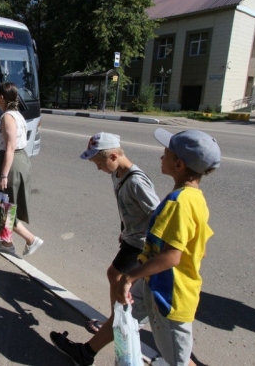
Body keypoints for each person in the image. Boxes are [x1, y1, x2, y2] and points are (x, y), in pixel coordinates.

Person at [51, 128, 221, 366]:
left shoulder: (179, 202)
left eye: (166, 154)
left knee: (178, 361)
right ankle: (86, 352)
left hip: (170, 294)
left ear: (179, 164)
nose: (161, 158)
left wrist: (129, 277)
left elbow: (173, 256)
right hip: (155, 282)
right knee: (124, 315)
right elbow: (198, 245)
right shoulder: (194, 197)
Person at [49, 132, 160, 359]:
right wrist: (124, 229)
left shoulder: (137, 181)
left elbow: (157, 215)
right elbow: (129, 209)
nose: (98, 168)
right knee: (116, 277)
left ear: (113, 156)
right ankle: (115, 321)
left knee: (116, 276)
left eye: (99, 163)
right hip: (131, 236)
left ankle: (116, 323)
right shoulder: (117, 173)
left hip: (140, 242)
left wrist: (148, 244)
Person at [0, 82, 43, 256]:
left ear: (2, 97)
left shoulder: (7, 117)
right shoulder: (17, 115)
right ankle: (7, 243)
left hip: (11, 163)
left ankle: (31, 240)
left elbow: (10, 147)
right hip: (17, 160)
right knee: (5, 204)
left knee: (5, 207)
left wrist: (4, 175)